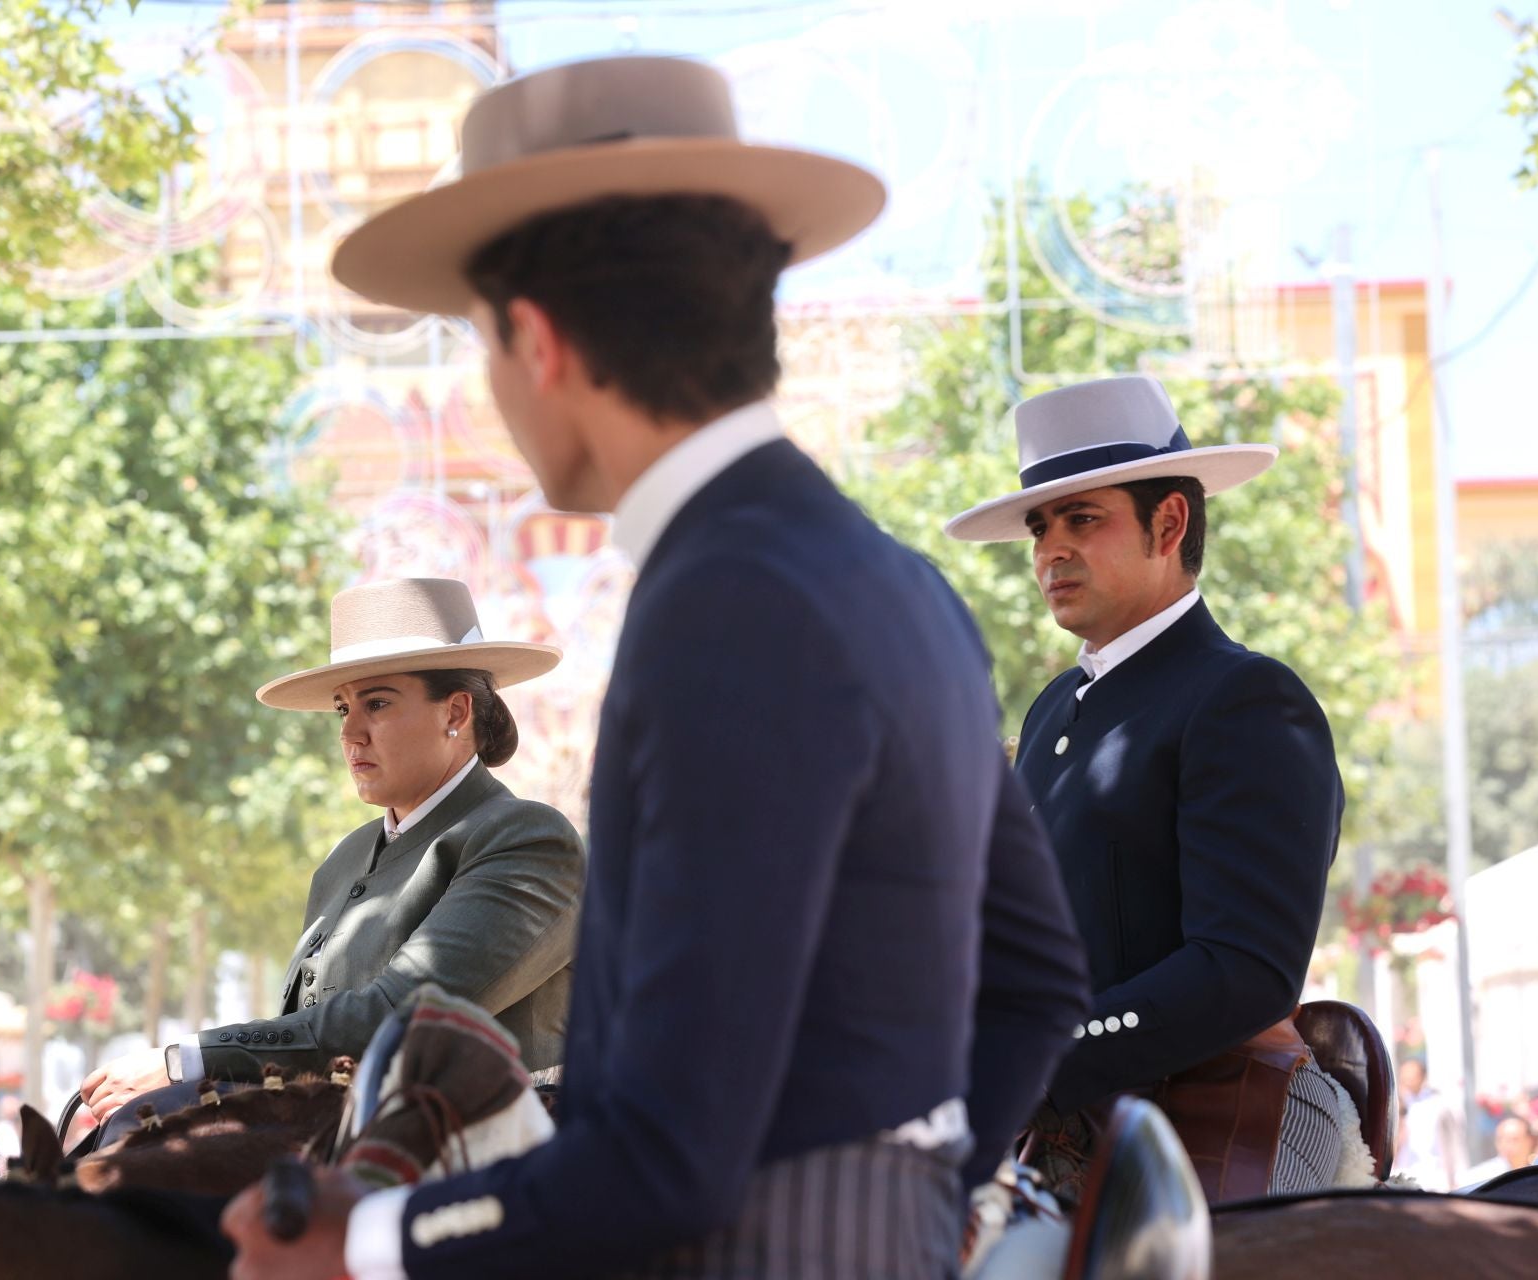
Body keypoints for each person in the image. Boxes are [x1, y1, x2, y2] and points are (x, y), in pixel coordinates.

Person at [222, 53, 1091, 1279]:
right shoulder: (901, 583)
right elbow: (1039, 982)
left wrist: (367, 1237)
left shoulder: (725, 600)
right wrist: (913, 1192)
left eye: (480, 340)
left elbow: (669, 1154)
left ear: (535, 337)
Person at [944, 375, 1347, 1202]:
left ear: (1170, 522)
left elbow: (1245, 969)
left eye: (1082, 519)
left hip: (1225, 1102)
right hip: (1064, 1111)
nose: (1049, 550)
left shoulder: (1245, 698)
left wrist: (1049, 1053)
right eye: (1040, 527)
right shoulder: (1057, 704)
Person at [79, 577, 584, 1127]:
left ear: (456, 712)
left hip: (474, 1174)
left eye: (378, 703)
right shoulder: (343, 861)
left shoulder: (528, 839)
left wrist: (187, 1061)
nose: (351, 734)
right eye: (343, 709)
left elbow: (401, 1014)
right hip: (328, 1152)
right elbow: (301, 1040)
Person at [1395, 1058, 1465, 1190]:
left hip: (1435, 1175)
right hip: (1404, 1172)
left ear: (1422, 1076)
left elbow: (1454, 1142)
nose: (1408, 1079)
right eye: (1405, 1076)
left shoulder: (1439, 1104)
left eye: (1412, 1075)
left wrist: (1457, 1176)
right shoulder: (1397, 1104)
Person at [1461, 1115, 1538, 1185]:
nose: (1506, 1145)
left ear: (1530, 1141)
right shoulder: (1482, 1175)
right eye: (1500, 1139)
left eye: (1514, 1139)